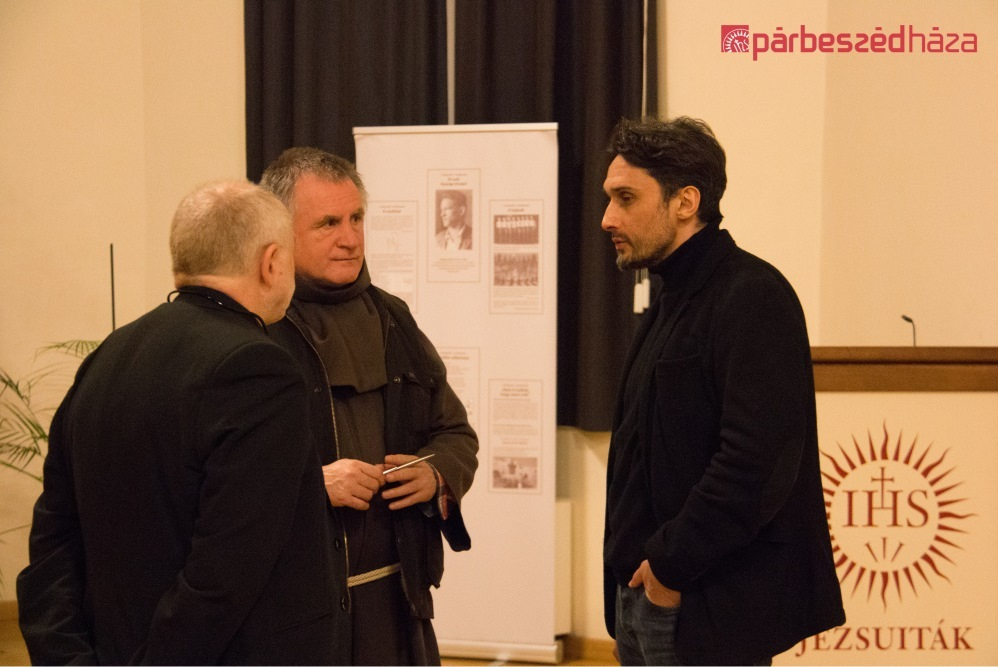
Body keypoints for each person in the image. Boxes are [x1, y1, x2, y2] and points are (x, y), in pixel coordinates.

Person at [16, 180, 347, 664]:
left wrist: (67, 658)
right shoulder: (260, 368)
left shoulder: (109, 355)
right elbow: (227, 570)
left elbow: (54, 538)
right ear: (272, 262)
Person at [600, 117, 845, 666]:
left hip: (701, 603)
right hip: (641, 597)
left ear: (685, 202)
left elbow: (756, 464)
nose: (607, 218)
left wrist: (668, 567)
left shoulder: (753, 295)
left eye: (625, 198)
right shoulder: (670, 299)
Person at [260, 147, 479, 666]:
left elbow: (455, 433)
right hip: (297, 613)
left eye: (356, 218)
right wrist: (313, 485)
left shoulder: (392, 318)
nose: (351, 238)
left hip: (400, 598)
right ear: (279, 231)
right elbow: (221, 478)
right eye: (328, 223)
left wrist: (435, 474)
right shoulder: (258, 328)